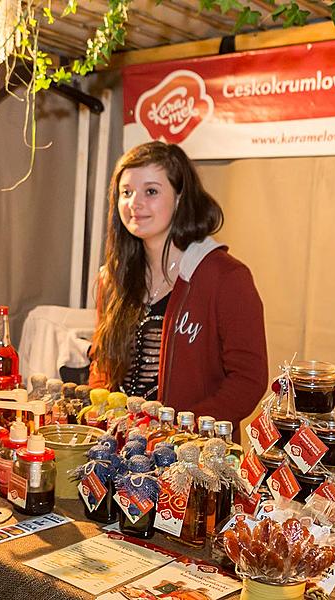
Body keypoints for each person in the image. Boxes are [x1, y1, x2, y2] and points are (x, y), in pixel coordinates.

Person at [89, 141, 267, 439]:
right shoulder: (113, 277)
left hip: (192, 461)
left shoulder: (227, 277)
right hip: (117, 451)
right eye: (126, 192)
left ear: (181, 197)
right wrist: (104, 415)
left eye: (151, 191)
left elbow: (248, 382)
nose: (135, 203)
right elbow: (101, 366)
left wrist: (177, 431)